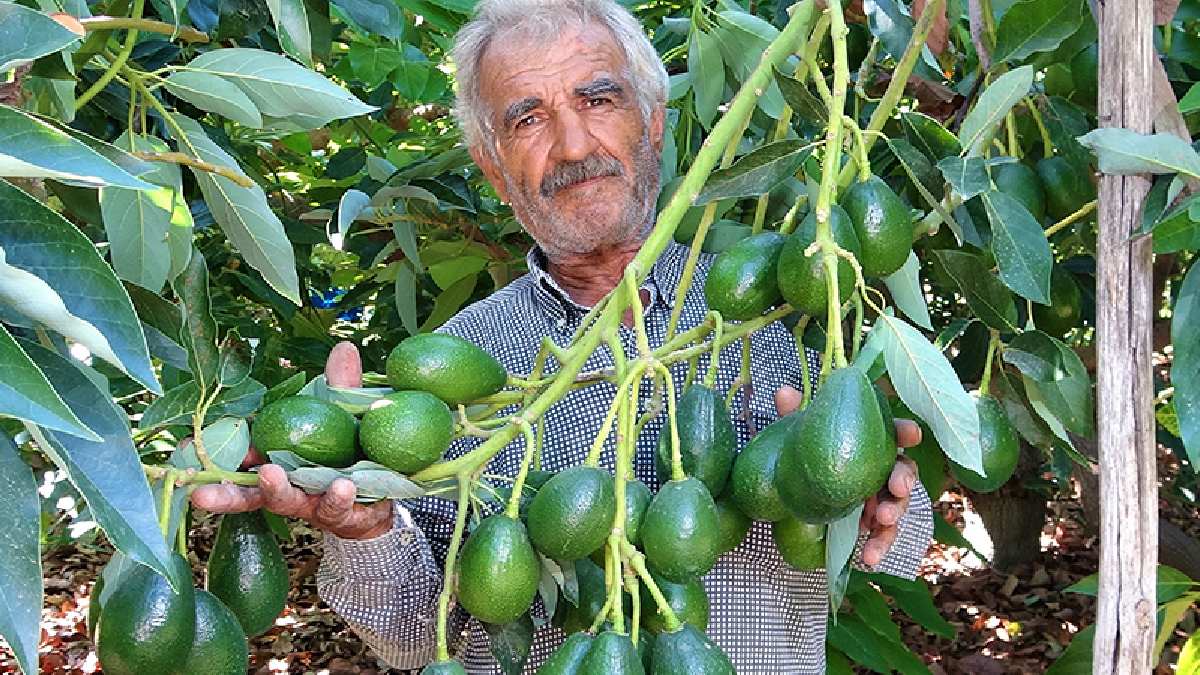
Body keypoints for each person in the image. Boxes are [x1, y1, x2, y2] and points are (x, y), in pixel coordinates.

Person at [191, 0, 934, 672]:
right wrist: (364, 529)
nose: (574, 145)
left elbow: (897, 543)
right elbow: (411, 638)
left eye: (597, 99)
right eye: (528, 119)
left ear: (653, 122)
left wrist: (872, 505)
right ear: (492, 168)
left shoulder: (792, 317)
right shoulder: (456, 367)